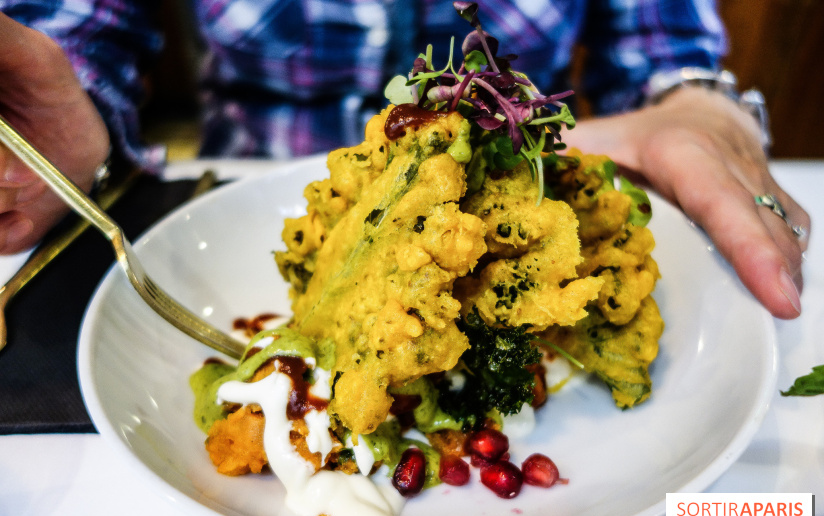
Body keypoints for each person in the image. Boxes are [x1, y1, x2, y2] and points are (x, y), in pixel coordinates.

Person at [0, 1, 810, 320]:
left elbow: (661, 50)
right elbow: (86, 22)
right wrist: (61, 107)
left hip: (529, 184)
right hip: (241, 214)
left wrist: (702, 108)